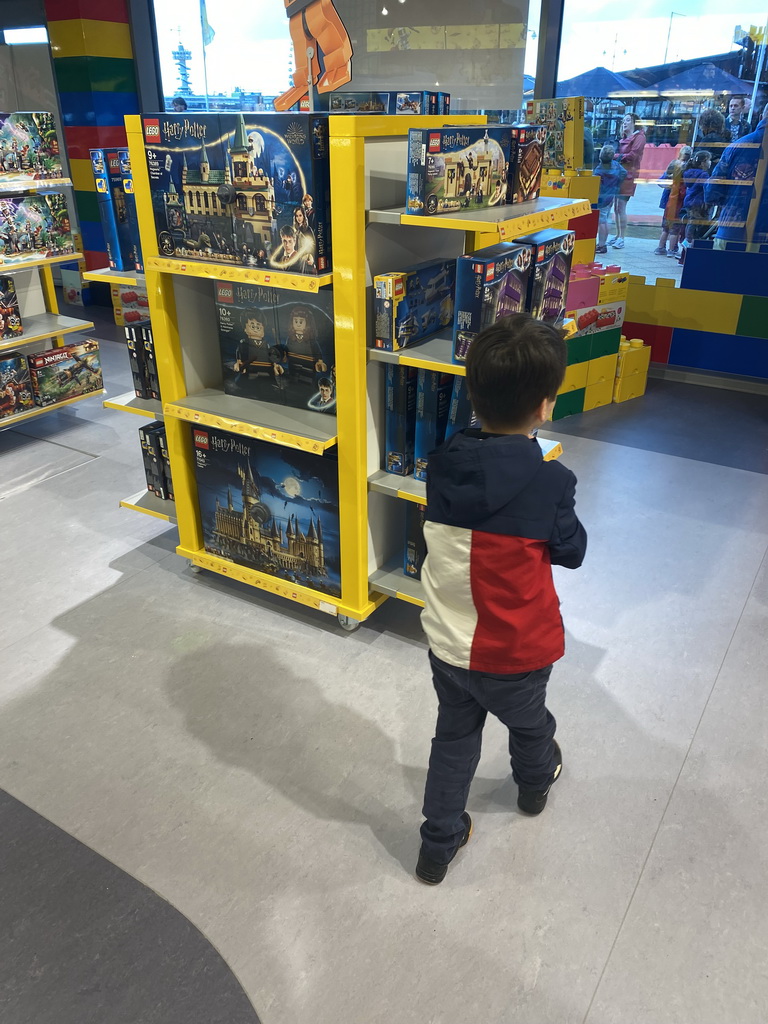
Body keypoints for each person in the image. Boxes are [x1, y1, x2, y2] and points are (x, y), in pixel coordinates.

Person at [415, 313, 587, 885]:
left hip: (448, 644)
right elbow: (572, 551)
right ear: (545, 406)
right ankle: (535, 787)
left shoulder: (441, 468)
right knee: (533, 725)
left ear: (472, 394)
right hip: (515, 654)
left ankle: (437, 844)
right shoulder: (550, 482)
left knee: (454, 737)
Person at [705, 101, 768, 251]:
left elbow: (712, 191)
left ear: (761, 117)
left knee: (722, 273)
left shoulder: (738, 146)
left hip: (732, 231)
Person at [610, 112, 646, 249]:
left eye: (627, 120)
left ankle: (622, 237)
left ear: (634, 122)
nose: (624, 123)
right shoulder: (624, 138)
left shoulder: (639, 137)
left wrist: (615, 156)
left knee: (621, 206)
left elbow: (632, 156)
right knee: (616, 207)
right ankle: (618, 235)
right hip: (619, 174)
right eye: (623, 121)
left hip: (628, 176)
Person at [653, 148, 690, 257]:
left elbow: (660, 181)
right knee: (675, 231)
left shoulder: (673, 168)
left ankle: (660, 247)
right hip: (678, 207)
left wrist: (669, 186)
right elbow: (683, 194)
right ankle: (672, 250)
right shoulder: (682, 181)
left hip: (668, 206)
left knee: (665, 228)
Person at [678, 149, 713, 264]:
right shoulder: (703, 174)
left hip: (689, 202)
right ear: (703, 162)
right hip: (699, 203)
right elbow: (706, 188)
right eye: (709, 160)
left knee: (692, 222)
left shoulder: (689, 172)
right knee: (699, 225)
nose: (710, 163)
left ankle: (687, 241)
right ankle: (689, 242)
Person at [593, 144, 626, 254]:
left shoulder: (599, 170)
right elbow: (624, 173)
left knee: (601, 221)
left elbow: (595, 185)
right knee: (605, 219)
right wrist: (616, 185)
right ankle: (603, 243)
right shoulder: (616, 165)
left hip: (600, 198)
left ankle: (601, 245)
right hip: (610, 197)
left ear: (600, 156)